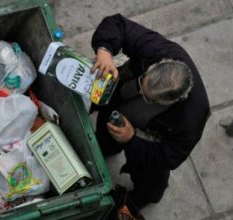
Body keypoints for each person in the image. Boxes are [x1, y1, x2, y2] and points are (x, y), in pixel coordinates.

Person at [90, 14, 210, 218]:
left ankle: (140, 199)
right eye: (144, 81)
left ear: (173, 101)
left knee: (151, 183)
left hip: (150, 135)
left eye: (148, 97)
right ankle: (106, 147)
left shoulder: (191, 118)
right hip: (119, 103)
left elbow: (169, 156)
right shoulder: (160, 49)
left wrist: (132, 139)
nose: (142, 93)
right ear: (159, 63)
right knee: (105, 137)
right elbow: (117, 24)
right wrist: (104, 51)